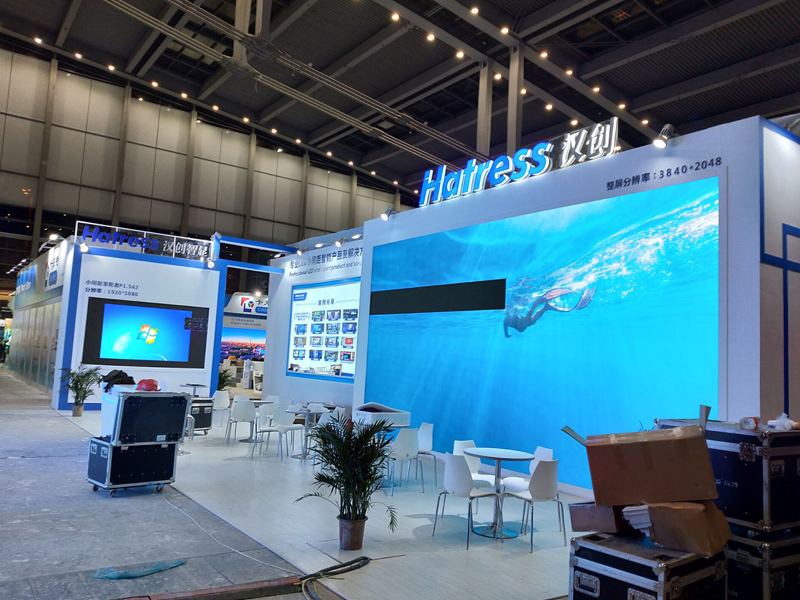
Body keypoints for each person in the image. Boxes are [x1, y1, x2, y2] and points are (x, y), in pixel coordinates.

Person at [504, 287, 596, 338]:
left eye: (522, 321)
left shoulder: (509, 321)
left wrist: (506, 334)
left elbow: (506, 323)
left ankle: (546, 307)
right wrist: (538, 303)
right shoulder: (525, 322)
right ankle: (547, 307)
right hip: (526, 321)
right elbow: (530, 312)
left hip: (519, 317)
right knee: (532, 319)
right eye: (523, 322)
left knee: (530, 317)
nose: (523, 320)